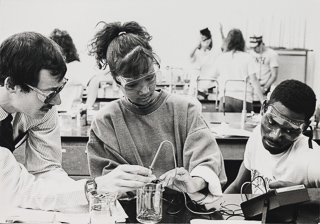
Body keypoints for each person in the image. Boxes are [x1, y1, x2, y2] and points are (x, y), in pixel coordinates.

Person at [0, 31, 152, 211]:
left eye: (59, 89)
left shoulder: (43, 111)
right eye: (49, 94)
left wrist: (87, 203)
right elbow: (17, 190)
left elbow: (45, 170)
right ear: (11, 85)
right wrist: (93, 188)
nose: (57, 102)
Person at [87, 21, 227, 205]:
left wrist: (194, 182)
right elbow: (105, 183)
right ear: (116, 82)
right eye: (132, 85)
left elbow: (208, 161)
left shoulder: (185, 111)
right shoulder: (106, 121)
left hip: (183, 210)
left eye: (149, 78)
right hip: (128, 213)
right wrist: (128, 186)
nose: (144, 90)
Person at [225, 80, 320, 194]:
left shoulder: (312, 160)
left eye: (289, 130)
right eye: (271, 122)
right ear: (264, 108)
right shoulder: (257, 135)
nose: (275, 136)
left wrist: (303, 195)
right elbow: (237, 186)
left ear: (304, 128)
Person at [211, 28, 264, 113]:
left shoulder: (221, 58)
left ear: (227, 42)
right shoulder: (248, 57)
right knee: (245, 125)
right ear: (242, 41)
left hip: (226, 98)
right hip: (244, 99)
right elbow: (254, 80)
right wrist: (262, 101)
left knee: (224, 125)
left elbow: (212, 77)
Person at [49, 28, 89, 113]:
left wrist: (88, 106)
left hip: (69, 114)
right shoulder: (53, 68)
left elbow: (94, 80)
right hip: (55, 113)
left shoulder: (75, 67)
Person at [189, 27, 221, 100]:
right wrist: (198, 43)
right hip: (196, 88)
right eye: (204, 39)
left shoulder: (215, 53)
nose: (206, 41)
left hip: (210, 88)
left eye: (207, 39)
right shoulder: (197, 53)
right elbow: (189, 56)